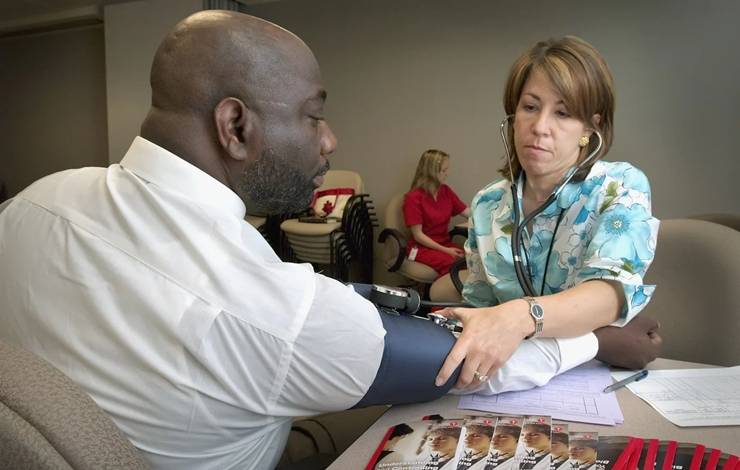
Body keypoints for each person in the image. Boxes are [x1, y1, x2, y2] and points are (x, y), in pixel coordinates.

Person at [0, 13, 661, 469]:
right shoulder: (269, 307)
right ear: (235, 125)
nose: (331, 139)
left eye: (564, 112)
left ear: (590, 128)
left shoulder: (31, 203)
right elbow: (472, 355)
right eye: (315, 115)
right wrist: (598, 339)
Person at [435, 36, 662, 390]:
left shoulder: (620, 186)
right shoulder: (487, 205)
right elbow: (478, 308)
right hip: (506, 378)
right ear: (513, 116)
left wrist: (521, 315)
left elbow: (611, 293)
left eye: (563, 112)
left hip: (593, 376)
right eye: (530, 107)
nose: (540, 126)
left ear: (589, 128)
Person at [404, 149, 471, 278]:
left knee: (471, 260)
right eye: (443, 171)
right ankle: (439, 295)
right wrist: (446, 251)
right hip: (421, 248)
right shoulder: (413, 198)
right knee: (453, 263)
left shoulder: (445, 191)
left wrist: (491, 216)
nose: (447, 174)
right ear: (431, 173)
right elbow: (418, 236)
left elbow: (466, 212)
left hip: (444, 243)